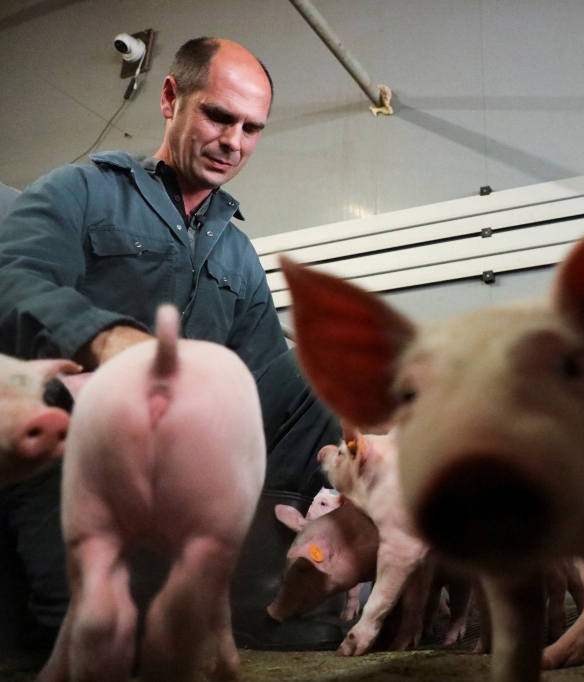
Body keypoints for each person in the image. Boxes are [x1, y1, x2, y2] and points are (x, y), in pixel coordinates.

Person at [0, 38, 344, 652]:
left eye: (252, 128)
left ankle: (269, 572)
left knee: (319, 369)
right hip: (89, 440)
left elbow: (266, 372)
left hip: (194, 453)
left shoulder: (237, 254)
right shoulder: (81, 191)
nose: (233, 142)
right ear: (170, 98)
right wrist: (105, 339)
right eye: (219, 116)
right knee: (113, 643)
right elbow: (13, 278)